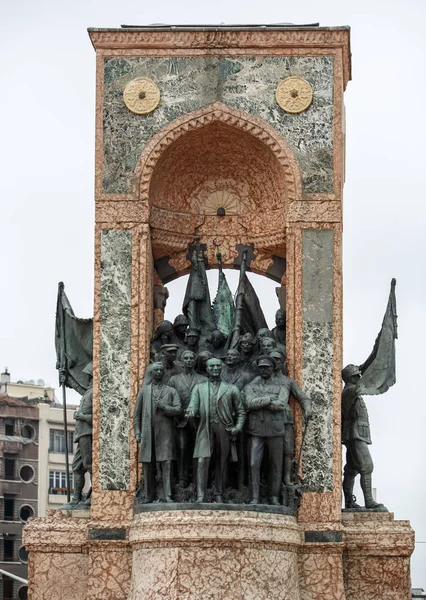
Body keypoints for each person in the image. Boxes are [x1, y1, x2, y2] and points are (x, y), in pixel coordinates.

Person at [243, 356, 312, 504]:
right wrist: (269, 399)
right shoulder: (253, 384)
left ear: (274, 367)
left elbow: (281, 404)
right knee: (254, 463)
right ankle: (254, 497)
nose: (263, 370)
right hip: (257, 429)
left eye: (267, 367)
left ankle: (274, 495)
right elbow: (249, 402)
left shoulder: (285, 383)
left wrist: (307, 408)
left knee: (277, 463)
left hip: (276, 427)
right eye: (261, 367)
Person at [186, 357, 246, 503]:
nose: (214, 369)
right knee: (202, 460)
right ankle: (200, 495)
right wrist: (191, 411)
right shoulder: (199, 388)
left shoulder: (231, 389)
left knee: (221, 461)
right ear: (207, 369)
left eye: (217, 366)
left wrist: (238, 427)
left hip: (223, 428)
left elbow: (241, 411)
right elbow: (192, 405)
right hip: (205, 427)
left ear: (221, 368)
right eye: (211, 366)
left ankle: (219, 493)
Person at [133, 362, 182, 503]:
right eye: (156, 370)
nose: (159, 372)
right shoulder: (144, 391)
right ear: (152, 373)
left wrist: (165, 407)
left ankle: (168, 495)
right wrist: (137, 432)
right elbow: (137, 415)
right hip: (148, 433)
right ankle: (149, 495)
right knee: (148, 464)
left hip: (165, 432)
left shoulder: (171, 391)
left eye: (161, 370)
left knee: (166, 463)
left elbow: (179, 409)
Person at [341, 364, 386, 511]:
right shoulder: (349, 391)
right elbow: (366, 381)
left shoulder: (352, 391)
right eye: (356, 376)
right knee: (367, 466)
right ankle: (369, 501)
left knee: (351, 469)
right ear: (350, 378)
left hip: (357, 433)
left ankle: (349, 502)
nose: (359, 377)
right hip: (355, 434)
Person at [168, 351, 207, 487]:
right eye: (186, 358)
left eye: (192, 358)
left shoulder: (203, 379)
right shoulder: (174, 379)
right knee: (182, 447)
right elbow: (170, 398)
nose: (189, 360)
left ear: (195, 361)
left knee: (198, 449)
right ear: (182, 361)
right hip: (180, 421)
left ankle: (198, 479)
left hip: (198, 420)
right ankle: (182, 478)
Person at [60, 361, 93, 509]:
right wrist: (65, 375)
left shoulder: (94, 392)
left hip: (88, 433)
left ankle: (94, 496)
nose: (85, 378)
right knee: (77, 467)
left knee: (90, 465)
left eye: (88, 376)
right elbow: (77, 385)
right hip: (81, 434)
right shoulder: (88, 391)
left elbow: (98, 417)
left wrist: (81, 416)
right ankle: (76, 498)